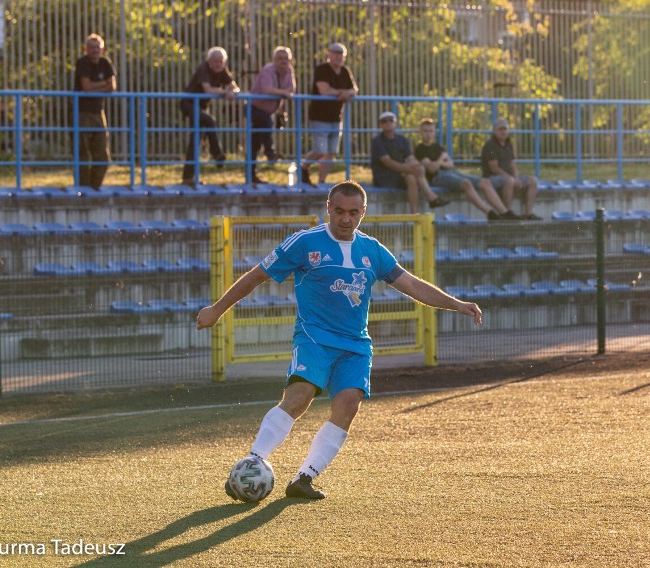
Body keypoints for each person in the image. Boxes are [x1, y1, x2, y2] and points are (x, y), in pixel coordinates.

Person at [196, 180, 483, 500]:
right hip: (314, 337)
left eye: (354, 213)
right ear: (328, 208)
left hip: (355, 345)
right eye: (340, 212)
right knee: (300, 395)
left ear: (364, 212)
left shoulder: (372, 249)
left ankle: (303, 478)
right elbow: (257, 275)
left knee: (348, 404)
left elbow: (413, 285)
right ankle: (255, 459)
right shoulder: (305, 243)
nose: (346, 219)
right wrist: (217, 309)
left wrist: (456, 304)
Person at [414, 118, 522, 221]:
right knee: (467, 183)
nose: (428, 134)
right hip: (439, 177)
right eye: (425, 131)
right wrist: (442, 158)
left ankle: (505, 212)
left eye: (431, 131)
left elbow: (451, 164)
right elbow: (432, 169)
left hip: (452, 172)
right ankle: (490, 213)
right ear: (420, 132)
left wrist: (439, 162)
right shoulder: (420, 149)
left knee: (485, 182)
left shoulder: (437, 147)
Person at [299, 43, 358, 187]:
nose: (338, 56)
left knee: (331, 152)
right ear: (329, 54)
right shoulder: (322, 69)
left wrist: (347, 93)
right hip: (319, 117)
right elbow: (324, 91)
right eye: (335, 53)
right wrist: (343, 93)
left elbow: (354, 89)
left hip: (336, 118)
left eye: (340, 54)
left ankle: (321, 182)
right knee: (320, 150)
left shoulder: (345, 71)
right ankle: (303, 167)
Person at [179, 46, 240, 185]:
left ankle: (188, 177)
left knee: (196, 140)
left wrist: (233, 91)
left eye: (221, 61)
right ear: (209, 61)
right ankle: (217, 153)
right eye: (215, 61)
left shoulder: (222, 70)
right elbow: (208, 90)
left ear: (224, 62)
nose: (218, 64)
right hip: (189, 104)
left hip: (201, 107)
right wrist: (225, 92)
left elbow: (234, 86)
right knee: (210, 120)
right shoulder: (204, 68)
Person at [370, 112, 449, 214]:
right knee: (412, 173)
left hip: (401, 173)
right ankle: (431, 198)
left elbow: (410, 157)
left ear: (395, 122)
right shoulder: (377, 141)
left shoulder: (402, 139)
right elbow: (387, 162)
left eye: (391, 120)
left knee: (412, 176)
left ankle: (415, 214)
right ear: (380, 124)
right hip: (384, 176)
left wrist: (418, 166)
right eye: (384, 121)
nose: (388, 123)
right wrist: (408, 169)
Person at [73, 34, 117, 190]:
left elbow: (112, 86)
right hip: (82, 112)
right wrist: (102, 85)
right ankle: (83, 188)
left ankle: (94, 186)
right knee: (82, 152)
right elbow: (86, 87)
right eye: (91, 47)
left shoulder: (105, 63)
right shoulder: (82, 62)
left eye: (97, 47)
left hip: (99, 112)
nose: (95, 50)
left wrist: (94, 86)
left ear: (102, 49)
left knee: (102, 155)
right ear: (86, 49)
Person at [248, 46, 296, 185]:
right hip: (255, 108)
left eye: (286, 58)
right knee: (264, 126)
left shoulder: (289, 70)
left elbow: (291, 89)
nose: (283, 61)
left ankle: (252, 175)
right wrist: (283, 92)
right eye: (280, 58)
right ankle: (270, 152)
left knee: (255, 143)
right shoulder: (268, 70)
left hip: (269, 111)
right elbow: (266, 89)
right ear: (273, 60)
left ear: (290, 60)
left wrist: (282, 92)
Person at [479, 118, 542, 220]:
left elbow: (512, 164)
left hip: (509, 177)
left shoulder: (509, 144)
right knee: (510, 181)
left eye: (505, 129)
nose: (503, 132)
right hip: (492, 178)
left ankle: (529, 214)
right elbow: (494, 168)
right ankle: (507, 213)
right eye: (500, 129)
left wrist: (516, 178)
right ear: (495, 131)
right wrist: (511, 178)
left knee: (533, 181)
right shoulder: (489, 146)